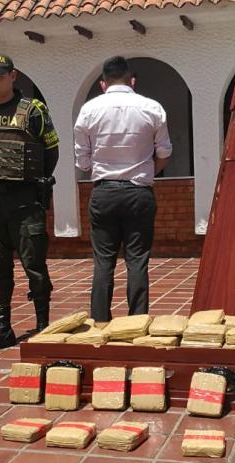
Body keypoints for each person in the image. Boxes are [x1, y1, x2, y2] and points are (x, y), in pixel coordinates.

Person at [0, 54, 60, 353]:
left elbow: (51, 150)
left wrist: (37, 181)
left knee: (34, 265)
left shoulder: (33, 110)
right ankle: (3, 328)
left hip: (25, 202)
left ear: (13, 76)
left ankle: (43, 326)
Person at [74, 56, 172, 324]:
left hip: (104, 193)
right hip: (139, 192)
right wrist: (147, 171)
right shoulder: (152, 107)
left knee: (103, 262)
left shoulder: (89, 110)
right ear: (132, 81)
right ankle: (136, 323)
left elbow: (82, 162)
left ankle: (100, 323)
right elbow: (164, 152)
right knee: (137, 260)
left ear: (103, 84)